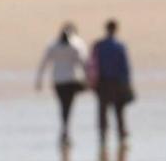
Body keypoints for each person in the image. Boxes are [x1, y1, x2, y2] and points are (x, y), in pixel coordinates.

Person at [35, 22, 88, 148]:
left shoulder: (53, 45)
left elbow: (44, 63)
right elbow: (83, 62)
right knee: (67, 105)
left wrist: (39, 80)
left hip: (60, 81)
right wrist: (88, 78)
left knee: (64, 105)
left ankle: (65, 129)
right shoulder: (76, 44)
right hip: (69, 80)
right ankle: (65, 129)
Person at [90, 19, 133, 147]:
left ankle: (103, 136)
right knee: (119, 110)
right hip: (117, 82)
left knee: (103, 110)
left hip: (102, 83)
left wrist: (92, 82)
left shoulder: (99, 45)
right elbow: (125, 67)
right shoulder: (119, 46)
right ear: (116, 29)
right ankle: (121, 135)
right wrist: (127, 84)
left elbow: (92, 64)